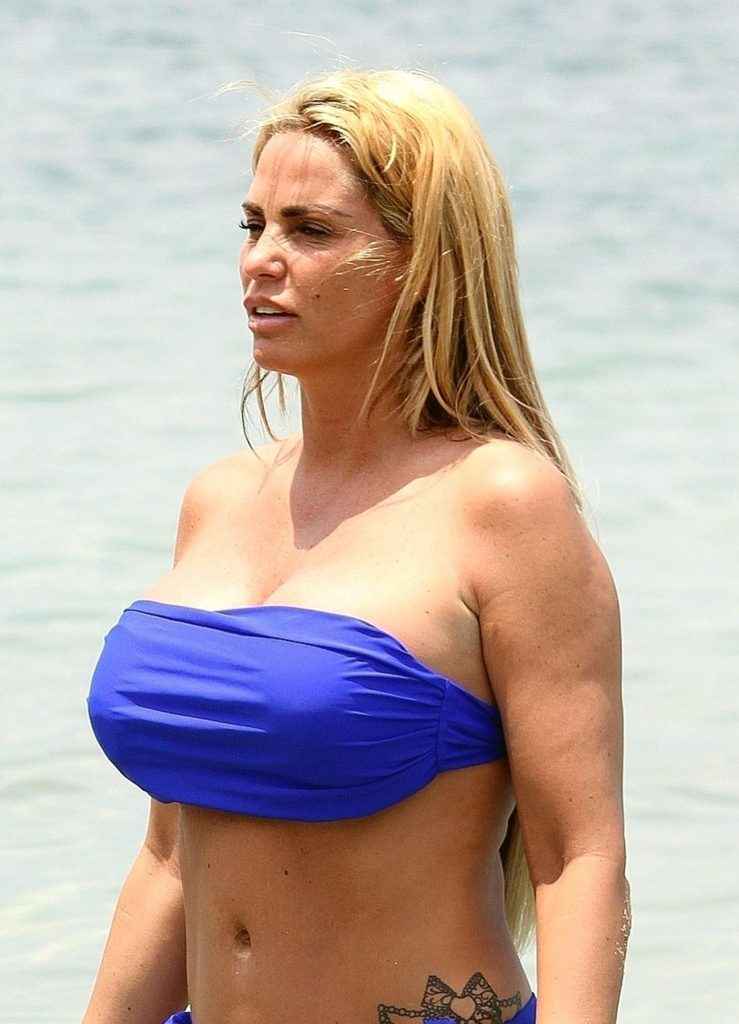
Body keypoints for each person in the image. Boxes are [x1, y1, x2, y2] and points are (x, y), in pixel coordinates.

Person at [83, 68, 630, 1024]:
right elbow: (170, 858)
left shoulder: (502, 504)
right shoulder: (218, 500)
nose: (260, 260)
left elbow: (576, 858)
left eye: (310, 230)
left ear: (423, 263)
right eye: (252, 224)